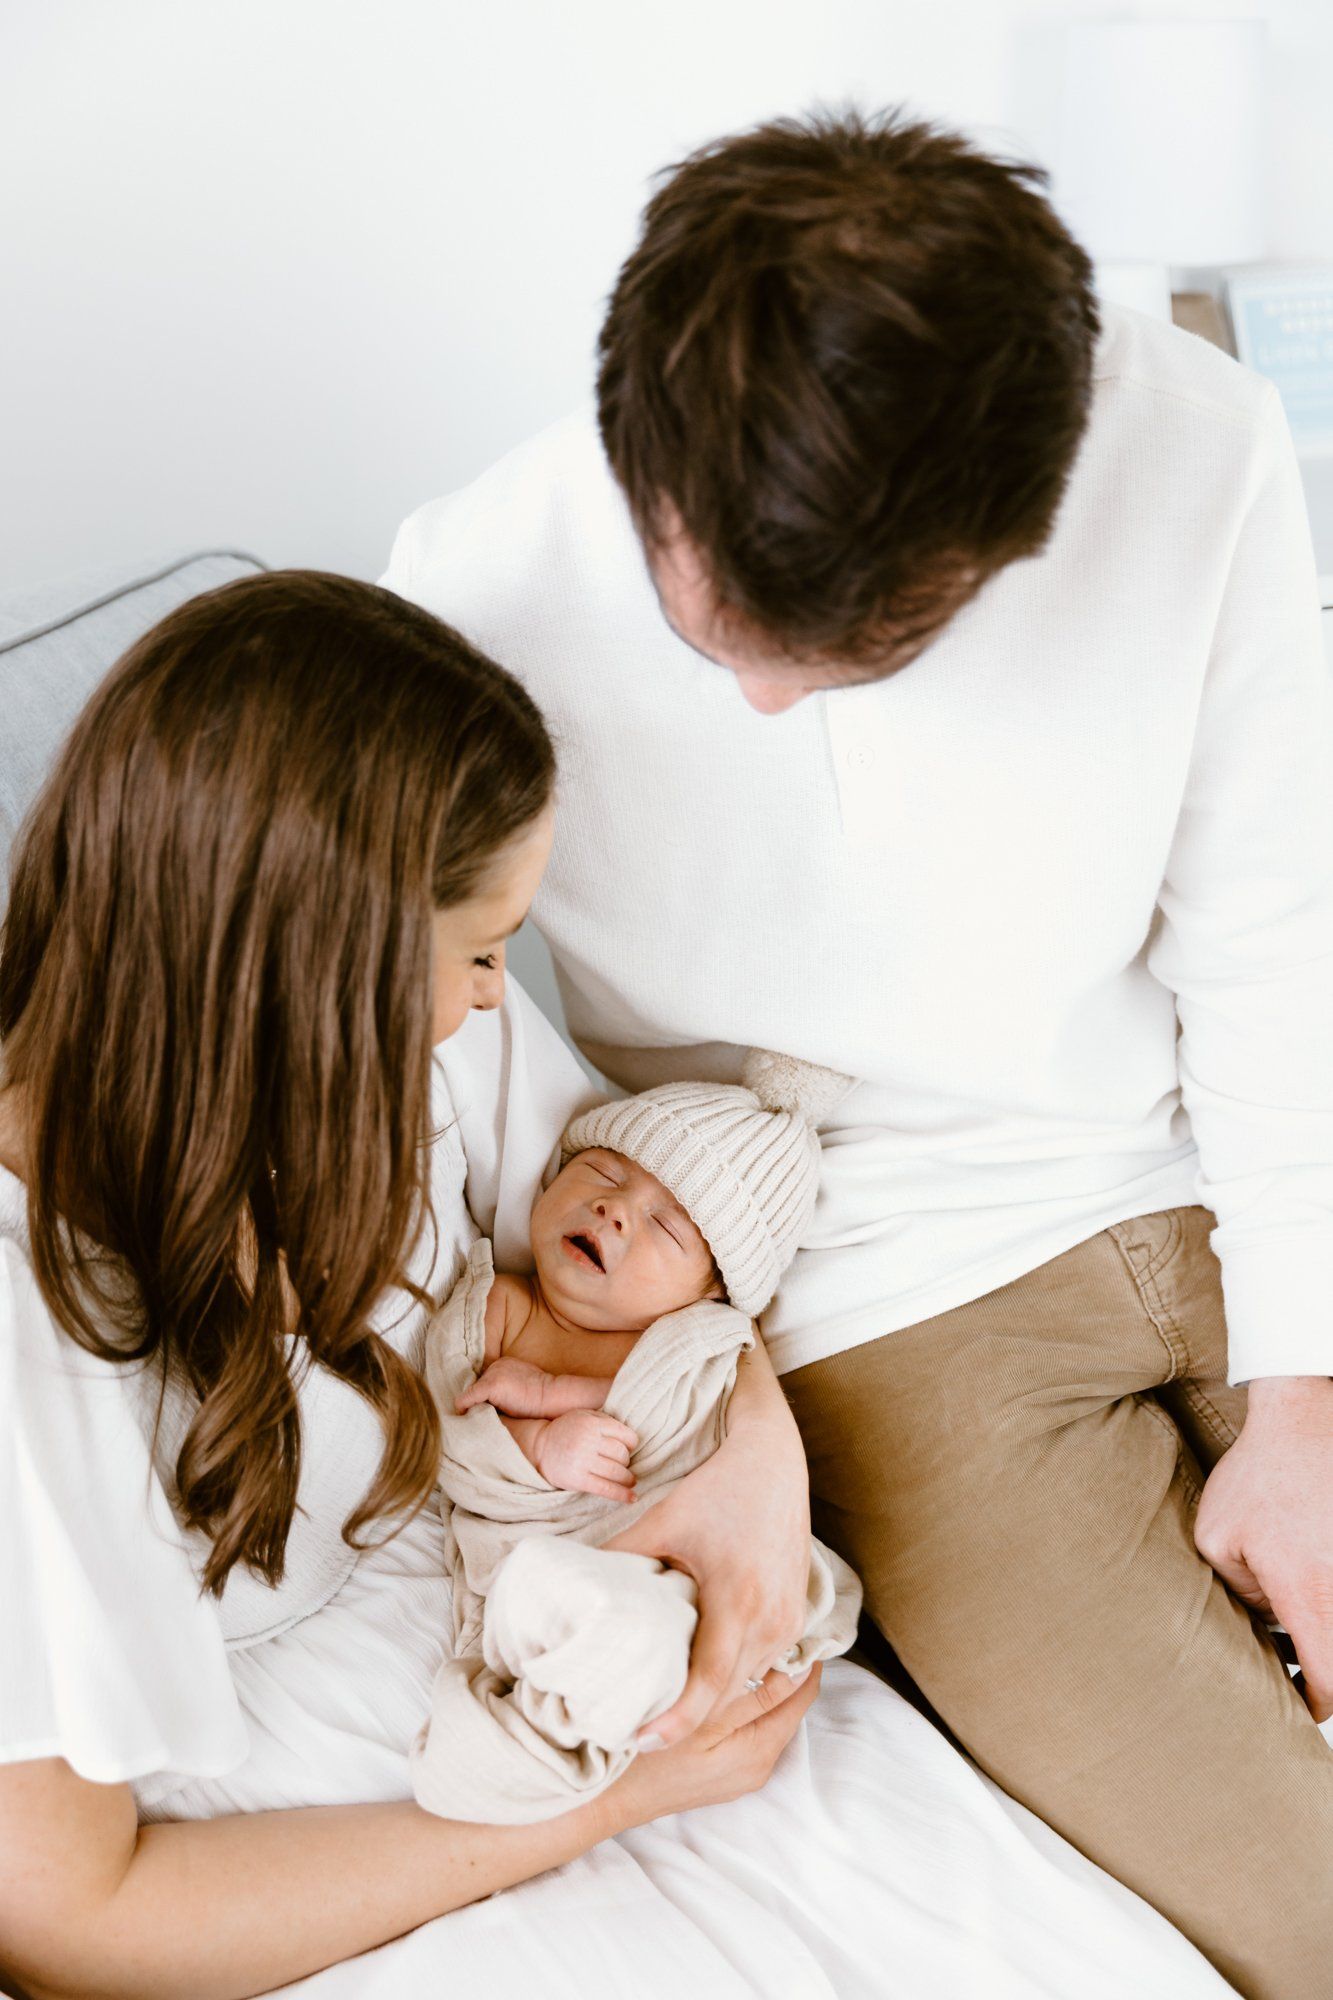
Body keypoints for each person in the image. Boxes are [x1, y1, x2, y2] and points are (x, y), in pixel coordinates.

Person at [381, 107, 1333, 1998]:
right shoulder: (464, 590)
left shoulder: (1191, 450)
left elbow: (1272, 936)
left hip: (1217, 1165)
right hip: (881, 1296)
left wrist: (1299, 1395)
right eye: (705, 624)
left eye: (847, 656)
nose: (747, 700)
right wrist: (700, 1405)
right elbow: (439, 1086)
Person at [0, 569, 1229, 2000]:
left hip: (539, 1609)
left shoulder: (387, 1062)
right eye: (471, 952)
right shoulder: (32, 1329)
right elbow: (75, 1926)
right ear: (306, 971)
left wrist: (753, 1471)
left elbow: (662, 1259)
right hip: (296, 1831)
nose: (486, 998)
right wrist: (604, 1807)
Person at [410, 1055, 862, 1825]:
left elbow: (691, 1426)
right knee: (546, 1600)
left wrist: (555, 1396)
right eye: (600, 1172)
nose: (616, 1211)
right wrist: (534, 1446)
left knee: (646, 1623)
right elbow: (444, 1425)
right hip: (546, 1558)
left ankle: (600, 1699)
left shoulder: (696, 1345)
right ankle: (540, 1729)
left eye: (665, 1226)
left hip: (671, 1573)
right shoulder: (502, 1307)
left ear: (710, 1291)